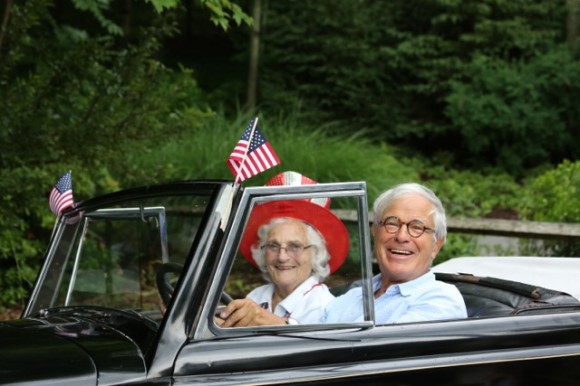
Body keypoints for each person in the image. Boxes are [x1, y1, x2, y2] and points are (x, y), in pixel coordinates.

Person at [321, 182, 467, 324]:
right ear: (375, 232)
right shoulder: (354, 295)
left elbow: (379, 346)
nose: (401, 236)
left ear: (436, 245)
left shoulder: (441, 301)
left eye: (417, 227)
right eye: (392, 224)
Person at [217, 171, 350, 327]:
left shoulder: (327, 307)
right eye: (273, 246)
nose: (282, 257)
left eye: (295, 246)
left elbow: (310, 346)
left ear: (315, 253)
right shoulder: (257, 296)